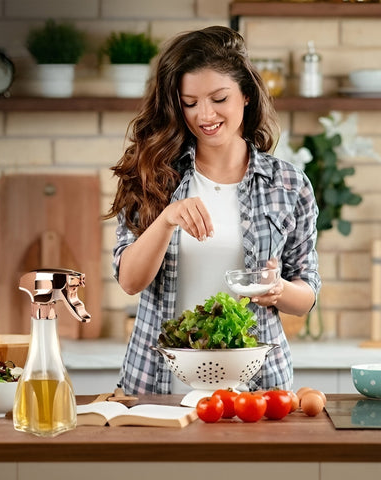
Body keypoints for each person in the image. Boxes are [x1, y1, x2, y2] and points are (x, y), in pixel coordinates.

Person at [104, 25, 321, 395]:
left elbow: (307, 295)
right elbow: (130, 281)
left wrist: (278, 289)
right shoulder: (154, 173)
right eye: (190, 103)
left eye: (219, 98)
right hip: (159, 385)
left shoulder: (288, 183)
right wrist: (168, 218)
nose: (204, 115)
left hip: (257, 389)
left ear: (247, 95)